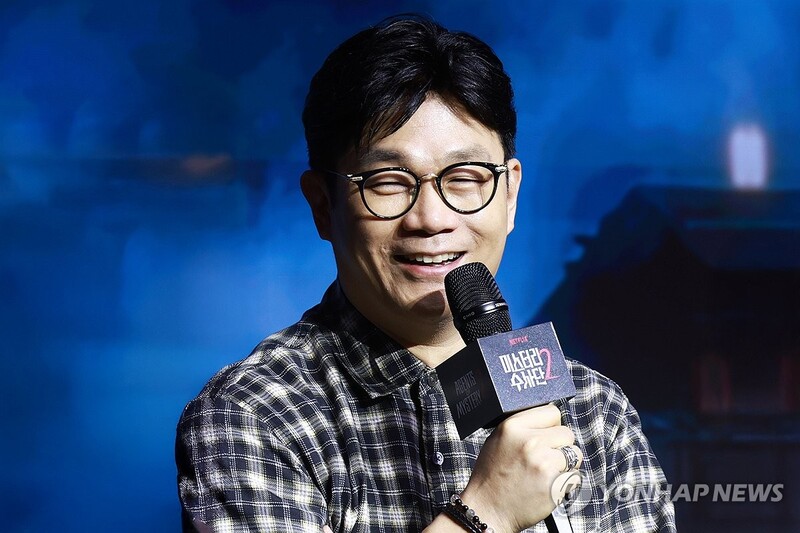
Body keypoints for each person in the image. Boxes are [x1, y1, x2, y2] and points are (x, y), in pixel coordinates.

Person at [176, 15, 676, 533]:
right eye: (388, 182)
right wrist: (487, 512)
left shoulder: (594, 412)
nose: (432, 219)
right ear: (323, 205)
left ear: (510, 196)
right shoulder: (256, 414)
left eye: (465, 177)